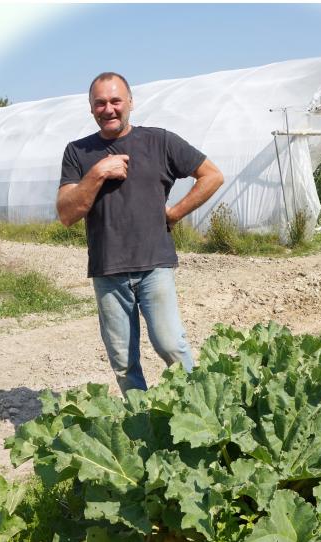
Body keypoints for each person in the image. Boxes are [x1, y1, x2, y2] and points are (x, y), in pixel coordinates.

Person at [57, 72, 224, 395]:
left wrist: (174, 213)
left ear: (130, 102)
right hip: (108, 271)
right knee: (123, 361)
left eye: (115, 101)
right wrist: (98, 172)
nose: (108, 109)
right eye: (100, 103)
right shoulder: (78, 153)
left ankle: (200, 406)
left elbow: (212, 176)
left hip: (154, 266)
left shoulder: (159, 142)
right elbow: (66, 213)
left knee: (171, 345)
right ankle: (141, 423)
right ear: (91, 108)